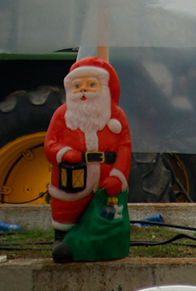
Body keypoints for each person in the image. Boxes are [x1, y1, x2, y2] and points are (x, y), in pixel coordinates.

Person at [45, 56, 132, 234]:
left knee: (107, 219)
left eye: (92, 85)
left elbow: (124, 146)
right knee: (67, 214)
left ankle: (104, 241)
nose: (83, 89)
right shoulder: (62, 115)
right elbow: (50, 144)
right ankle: (64, 240)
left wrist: (117, 176)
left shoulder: (116, 116)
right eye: (77, 86)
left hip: (105, 180)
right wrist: (65, 153)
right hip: (71, 181)